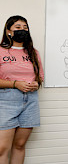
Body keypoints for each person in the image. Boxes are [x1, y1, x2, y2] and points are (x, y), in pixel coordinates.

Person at [0, 15, 44, 164]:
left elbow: (40, 77)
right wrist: (15, 84)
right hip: (6, 101)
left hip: (30, 102)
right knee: (2, 148)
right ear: (8, 32)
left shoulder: (33, 52)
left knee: (19, 145)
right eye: (18, 27)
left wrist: (36, 84)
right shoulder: (0, 51)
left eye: (25, 28)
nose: (22, 30)